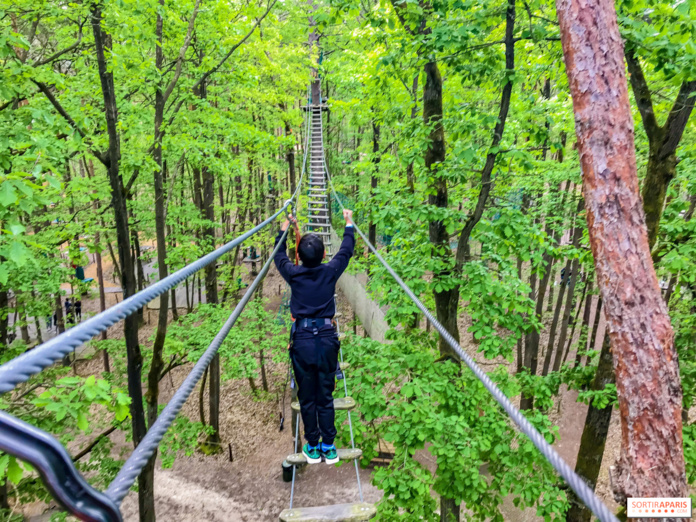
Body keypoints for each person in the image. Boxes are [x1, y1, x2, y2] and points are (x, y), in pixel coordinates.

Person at [274, 209, 355, 465]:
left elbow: (278, 254)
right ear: (323, 256)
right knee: (325, 394)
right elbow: (345, 251)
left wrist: (284, 228)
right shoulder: (330, 271)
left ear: (298, 256)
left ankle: (312, 444)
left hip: (303, 342)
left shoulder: (294, 274)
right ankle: (329, 446)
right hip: (327, 341)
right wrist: (348, 223)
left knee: (307, 396)